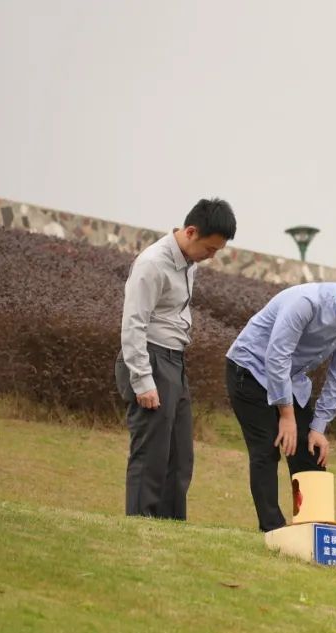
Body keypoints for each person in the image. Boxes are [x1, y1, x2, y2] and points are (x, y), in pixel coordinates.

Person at [226, 264, 336, 532]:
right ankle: (273, 530)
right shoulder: (306, 303)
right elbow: (277, 357)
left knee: (311, 449)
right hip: (250, 370)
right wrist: (286, 415)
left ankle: (314, 527)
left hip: (290, 378)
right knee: (267, 448)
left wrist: (318, 428)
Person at [115, 198, 236, 520]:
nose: (211, 256)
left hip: (174, 362)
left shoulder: (188, 263)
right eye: (209, 249)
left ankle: (170, 526)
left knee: (180, 457)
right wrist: (143, 380)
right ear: (191, 232)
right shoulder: (152, 263)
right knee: (151, 454)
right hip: (151, 359)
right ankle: (139, 523)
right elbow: (133, 323)